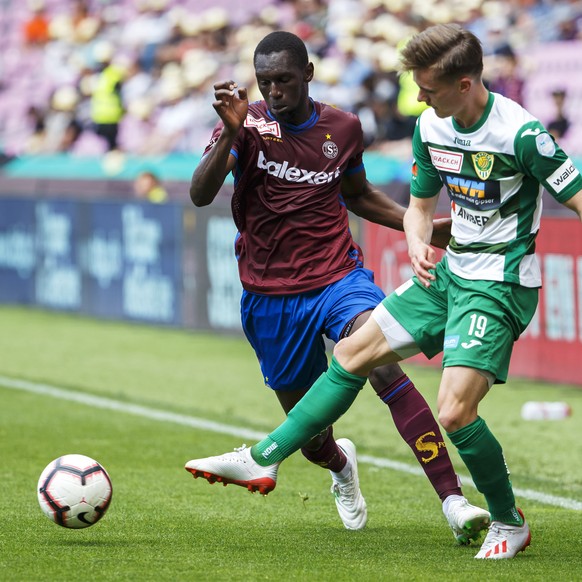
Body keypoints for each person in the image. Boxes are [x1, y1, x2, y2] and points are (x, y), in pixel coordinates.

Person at [184, 24, 582, 559]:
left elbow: (360, 194)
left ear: (464, 84)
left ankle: (487, 513)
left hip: (487, 283)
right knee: (351, 357)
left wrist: (421, 233)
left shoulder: (520, 135)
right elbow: (418, 205)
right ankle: (288, 458)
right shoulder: (428, 127)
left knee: (441, 402)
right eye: (264, 82)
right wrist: (418, 240)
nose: (417, 97)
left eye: (428, 87)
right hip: (380, 281)